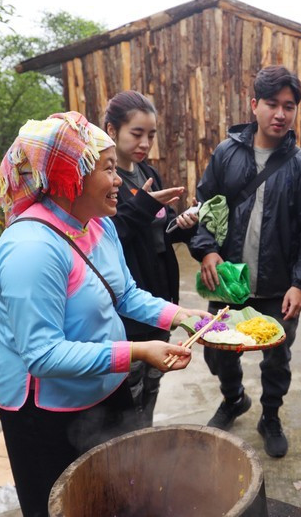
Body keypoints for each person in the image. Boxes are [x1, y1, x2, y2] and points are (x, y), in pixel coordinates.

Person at [0, 112, 208, 517]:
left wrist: (183, 316)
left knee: (119, 495)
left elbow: (124, 294)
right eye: (108, 169)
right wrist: (138, 352)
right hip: (49, 412)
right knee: (63, 505)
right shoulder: (32, 249)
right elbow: (43, 356)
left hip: (106, 387)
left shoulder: (97, 224)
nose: (119, 180)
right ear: (70, 174)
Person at [188, 65, 301, 458]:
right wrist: (207, 248)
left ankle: (270, 415)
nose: (280, 114)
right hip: (228, 279)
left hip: (279, 285)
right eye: (271, 104)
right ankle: (234, 399)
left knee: (277, 357)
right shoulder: (226, 153)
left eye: (289, 106)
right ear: (254, 105)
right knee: (217, 349)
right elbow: (206, 205)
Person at [105, 91, 199, 427]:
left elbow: (159, 235)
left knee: (154, 378)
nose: (145, 142)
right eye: (136, 133)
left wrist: (182, 227)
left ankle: (145, 434)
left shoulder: (148, 173)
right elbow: (107, 237)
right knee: (129, 385)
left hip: (159, 298)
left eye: (151, 135)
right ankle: (133, 444)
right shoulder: (106, 181)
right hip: (129, 304)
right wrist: (143, 204)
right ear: (111, 129)